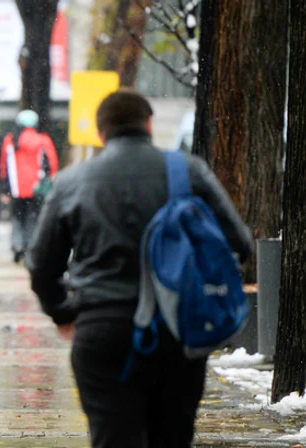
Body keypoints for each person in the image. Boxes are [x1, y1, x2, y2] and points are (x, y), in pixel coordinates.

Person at [25, 90, 254, 448]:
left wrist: (62, 311)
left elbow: (41, 265)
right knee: (173, 437)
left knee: (112, 436)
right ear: (149, 125)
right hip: (177, 331)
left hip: (103, 331)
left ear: (102, 132)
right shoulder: (187, 171)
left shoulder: (72, 182)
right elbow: (239, 244)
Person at [0, 109, 59, 263]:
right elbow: (52, 164)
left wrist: (4, 188)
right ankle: (29, 248)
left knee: (17, 217)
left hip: (16, 188)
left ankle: (17, 245)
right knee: (32, 218)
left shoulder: (10, 140)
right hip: (36, 188)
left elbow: (4, 165)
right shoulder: (43, 140)